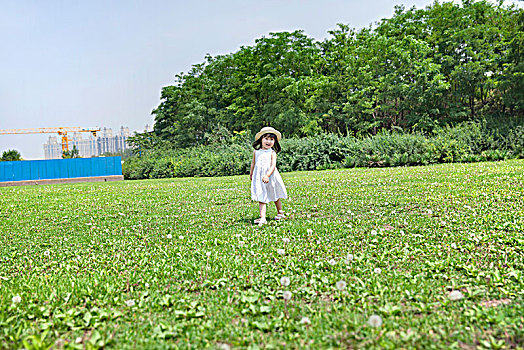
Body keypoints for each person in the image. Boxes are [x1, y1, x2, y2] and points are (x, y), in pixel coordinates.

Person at [250, 126, 288, 225]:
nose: (269, 141)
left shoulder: (272, 152)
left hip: (271, 177)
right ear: (261, 139)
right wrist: (251, 174)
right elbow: (253, 164)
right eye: (266, 138)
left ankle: (280, 213)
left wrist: (267, 175)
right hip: (260, 177)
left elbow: (273, 165)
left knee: (274, 194)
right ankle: (263, 217)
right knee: (261, 194)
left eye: (271, 139)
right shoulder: (256, 152)